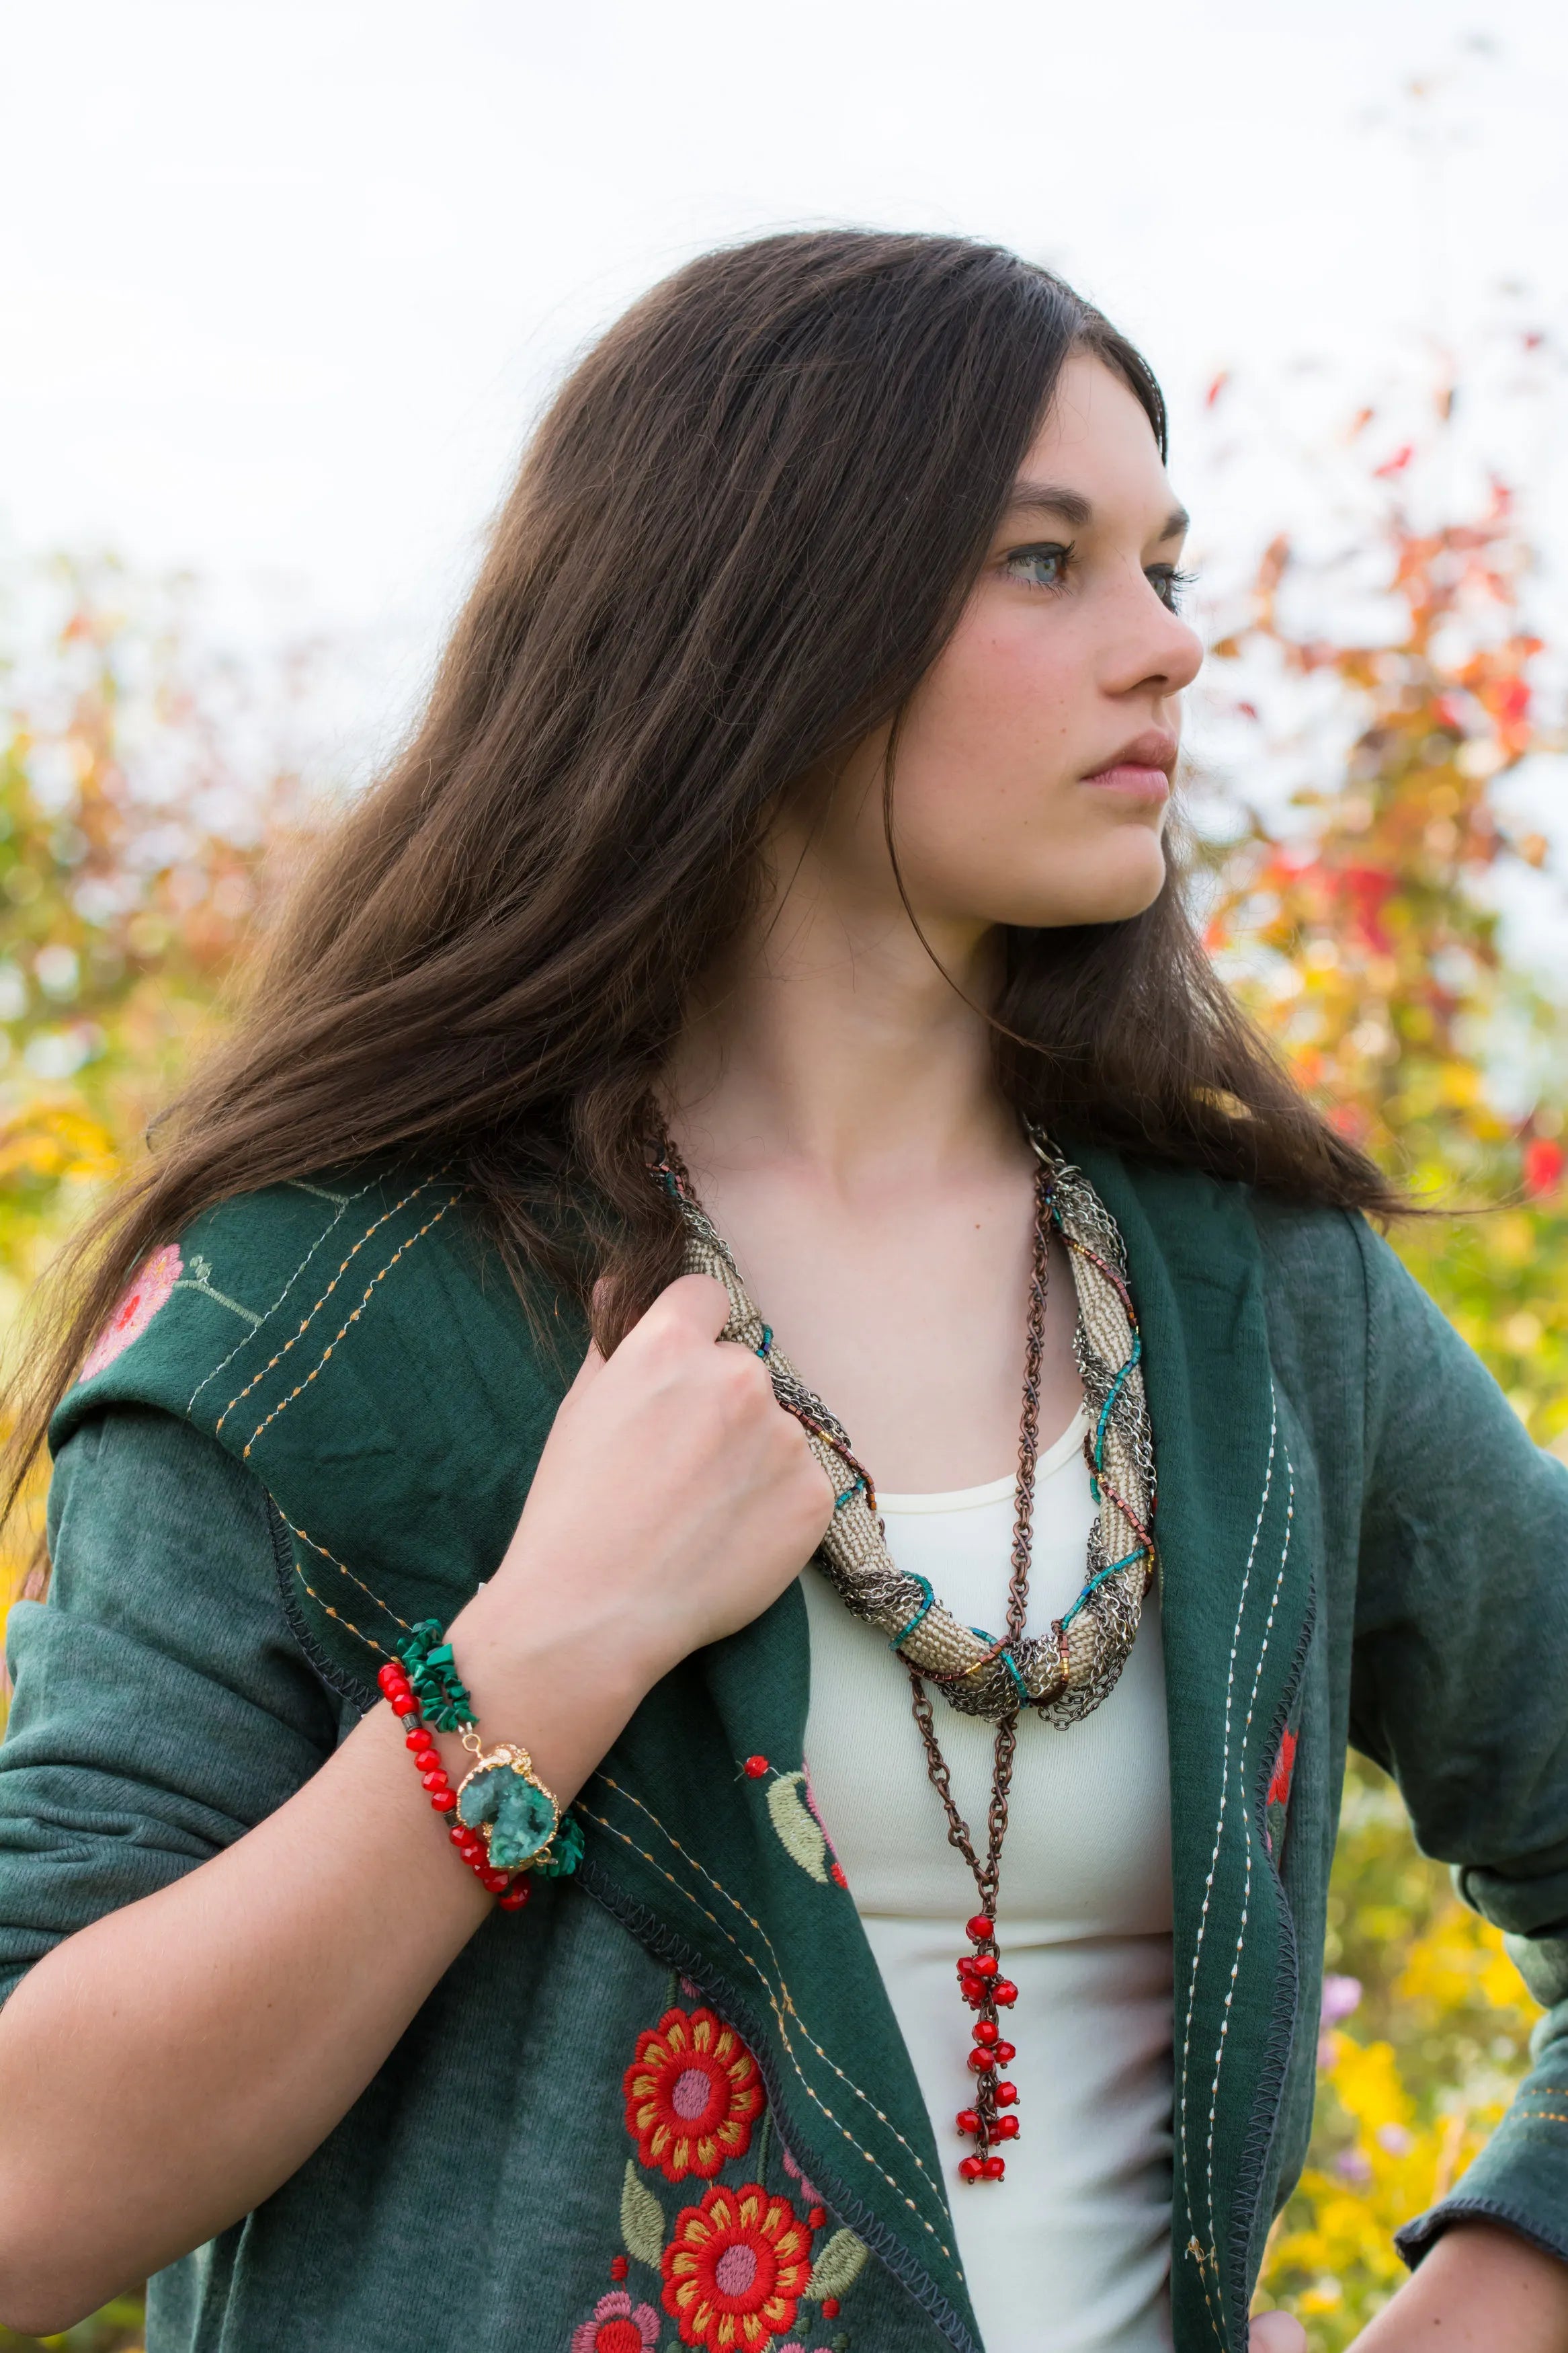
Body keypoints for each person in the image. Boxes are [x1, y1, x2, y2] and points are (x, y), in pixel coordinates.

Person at [0, 230, 1563, 2353]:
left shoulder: (1251, 1296)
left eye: (1165, 568)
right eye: (1044, 560)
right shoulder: (328, 1317)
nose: (1167, 647)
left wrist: (1493, 2301)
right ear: (770, 610)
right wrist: (538, 1660)